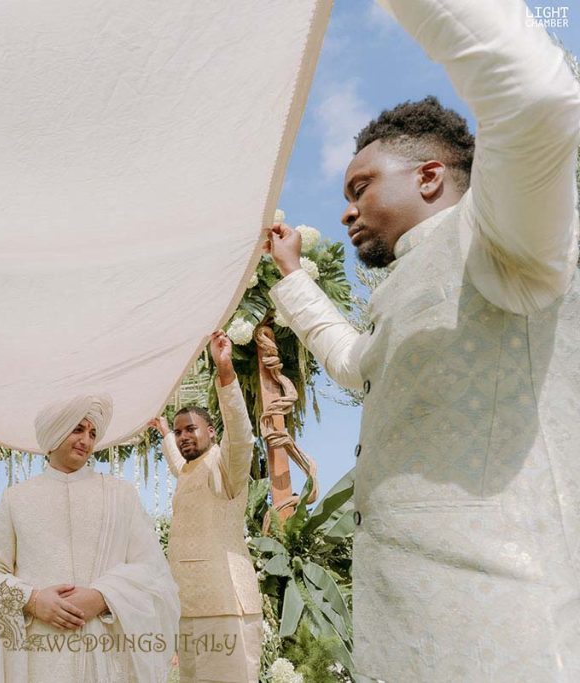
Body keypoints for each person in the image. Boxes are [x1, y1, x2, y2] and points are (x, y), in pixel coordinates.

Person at [266, 0, 580, 679]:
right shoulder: (401, 286)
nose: (346, 210)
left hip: (511, 637)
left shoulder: (500, 237)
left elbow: (536, 95)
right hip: (408, 637)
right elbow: (353, 362)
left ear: (431, 176)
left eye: (360, 186)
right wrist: (291, 276)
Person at [0, 395, 180, 682]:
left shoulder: (120, 495)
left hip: (106, 651)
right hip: (38, 656)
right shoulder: (16, 499)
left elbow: (152, 571)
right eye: (77, 429)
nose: (86, 440)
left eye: (92, 433)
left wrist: (103, 597)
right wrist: (33, 600)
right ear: (54, 432)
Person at [148, 330, 261, 683]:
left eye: (190, 429)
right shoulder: (188, 471)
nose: (183, 436)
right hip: (188, 606)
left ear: (211, 432)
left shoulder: (224, 467)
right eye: (179, 432)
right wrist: (164, 430)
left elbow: (240, 438)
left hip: (226, 604)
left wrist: (225, 372)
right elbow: (177, 463)